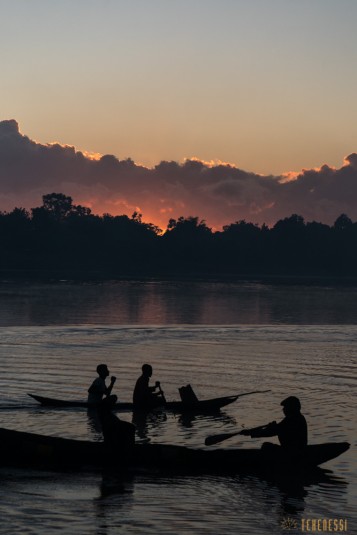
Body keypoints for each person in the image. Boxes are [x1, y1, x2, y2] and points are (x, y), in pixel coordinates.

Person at [241, 396, 308, 454]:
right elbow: (277, 429)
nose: (283, 410)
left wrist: (251, 433)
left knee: (266, 446)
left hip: (292, 452)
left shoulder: (293, 420)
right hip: (292, 450)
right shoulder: (294, 418)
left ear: (291, 408)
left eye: (285, 407)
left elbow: (273, 431)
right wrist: (272, 427)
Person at [98, 395, 136, 464]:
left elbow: (114, 397)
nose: (113, 405)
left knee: (131, 427)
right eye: (112, 404)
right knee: (131, 428)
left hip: (115, 434)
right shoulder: (105, 415)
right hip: (113, 437)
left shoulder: (107, 414)